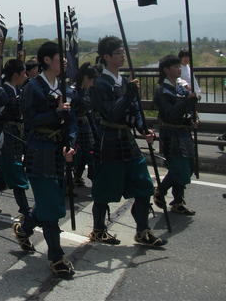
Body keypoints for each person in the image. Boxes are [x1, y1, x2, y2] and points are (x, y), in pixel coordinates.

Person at [90, 36, 164, 247]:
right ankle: (98, 229)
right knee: (104, 189)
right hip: (109, 140)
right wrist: (129, 94)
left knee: (144, 185)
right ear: (106, 57)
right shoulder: (99, 83)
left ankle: (142, 230)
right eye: (118, 53)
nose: (123, 56)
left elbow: (135, 111)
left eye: (123, 52)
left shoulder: (123, 81)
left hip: (128, 140)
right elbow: (112, 114)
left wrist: (144, 129)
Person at [13, 42, 76, 277]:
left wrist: (71, 142)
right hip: (39, 150)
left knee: (53, 201)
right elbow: (30, 120)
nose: (65, 62)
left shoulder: (65, 87)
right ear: (47, 60)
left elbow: (73, 121)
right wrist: (55, 113)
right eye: (61, 58)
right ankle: (56, 257)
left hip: (58, 151)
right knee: (50, 207)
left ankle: (24, 227)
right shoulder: (33, 88)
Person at [0, 59, 30, 220]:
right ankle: (25, 210)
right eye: (23, 72)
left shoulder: (18, 90)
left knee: (5, 171)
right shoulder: (0, 92)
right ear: (16, 74)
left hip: (17, 135)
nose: (26, 75)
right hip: (6, 135)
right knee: (16, 171)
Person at [153, 55, 198, 215]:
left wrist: (194, 116)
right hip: (171, 133)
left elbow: (189, 107)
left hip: (184, 131)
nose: (180, 69)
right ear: (166, 70)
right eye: (176, 67)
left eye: (180, 66)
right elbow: (171, 113)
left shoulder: (181, 87)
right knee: (179, 167)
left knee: (189, 165)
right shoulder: (162, 91)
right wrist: (188, 101)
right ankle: (162, 190)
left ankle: (178, 201)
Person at [71, 63, 99, 186]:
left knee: (90, 153)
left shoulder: (87, 92)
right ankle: (74, 177)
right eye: (92, 79)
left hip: (86, 125)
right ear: (86, 77)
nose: (93, 82)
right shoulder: (73, 92)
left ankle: (94, 178)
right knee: (77, 155)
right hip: (75, 126)